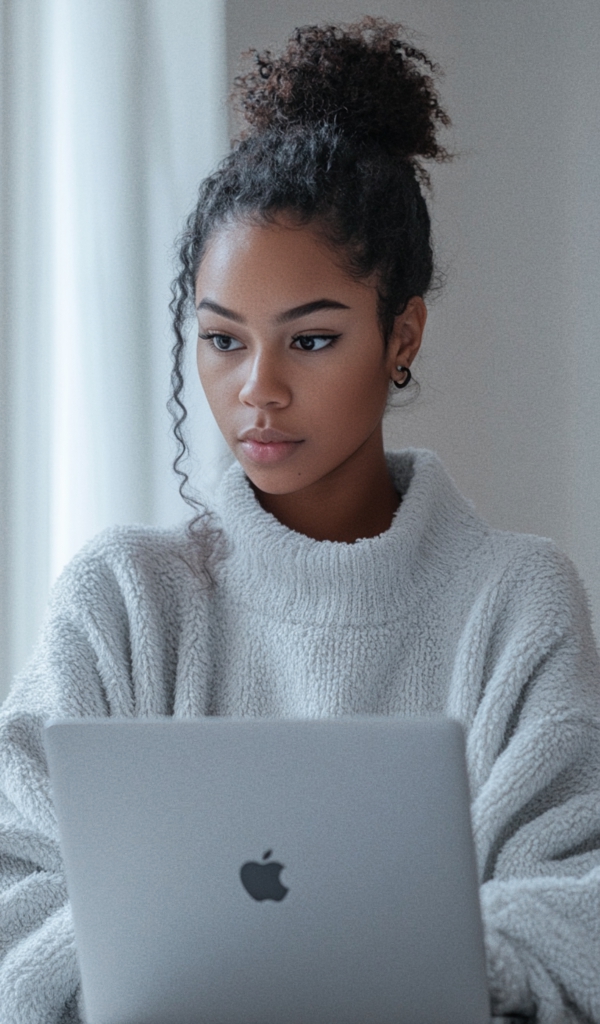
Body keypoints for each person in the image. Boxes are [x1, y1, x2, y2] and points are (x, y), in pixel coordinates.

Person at [1, 16, 599, 1024]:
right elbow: (13, 914)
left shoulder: (516, 600)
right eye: (222, 341)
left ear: (400, 332)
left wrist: (413, 953)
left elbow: (578, 915)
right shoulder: (120, 601)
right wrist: (172, 942)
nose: (258, 390)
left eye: (312, 339)